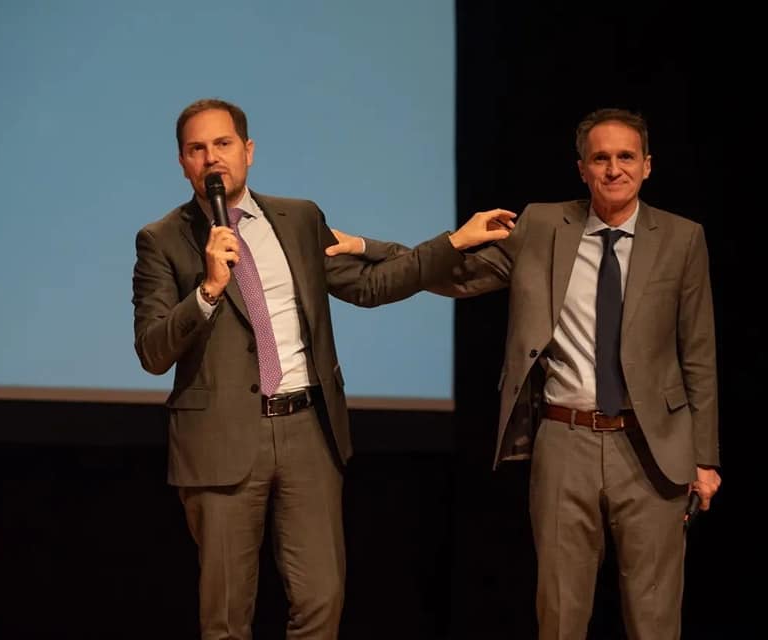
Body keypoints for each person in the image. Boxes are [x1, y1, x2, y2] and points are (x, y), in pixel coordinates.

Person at [329, 108, 722, 639]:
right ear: (581, 168)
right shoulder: (542, 225)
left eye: (625, 157)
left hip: (652, 446)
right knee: (559, 613)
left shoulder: (681, 237)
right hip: (565, 439)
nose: (613, 169)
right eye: (600, 158)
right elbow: (461, 276)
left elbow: (698, 353)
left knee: (654, 619)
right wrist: (366, 248)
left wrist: (704, 458)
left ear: (647, 166)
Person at [131, 98, 513, 640]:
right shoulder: (162, 239)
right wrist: (209, 289)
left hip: (309, 430)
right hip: (220, 442)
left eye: (223, 144)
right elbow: (152, 350)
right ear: (182, 163)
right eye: (197, 149)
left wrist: (453, 242)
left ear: (248, 151)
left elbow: (372, 284)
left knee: (321, 601)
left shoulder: (299, 218)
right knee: (226, 618)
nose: (212, 158)